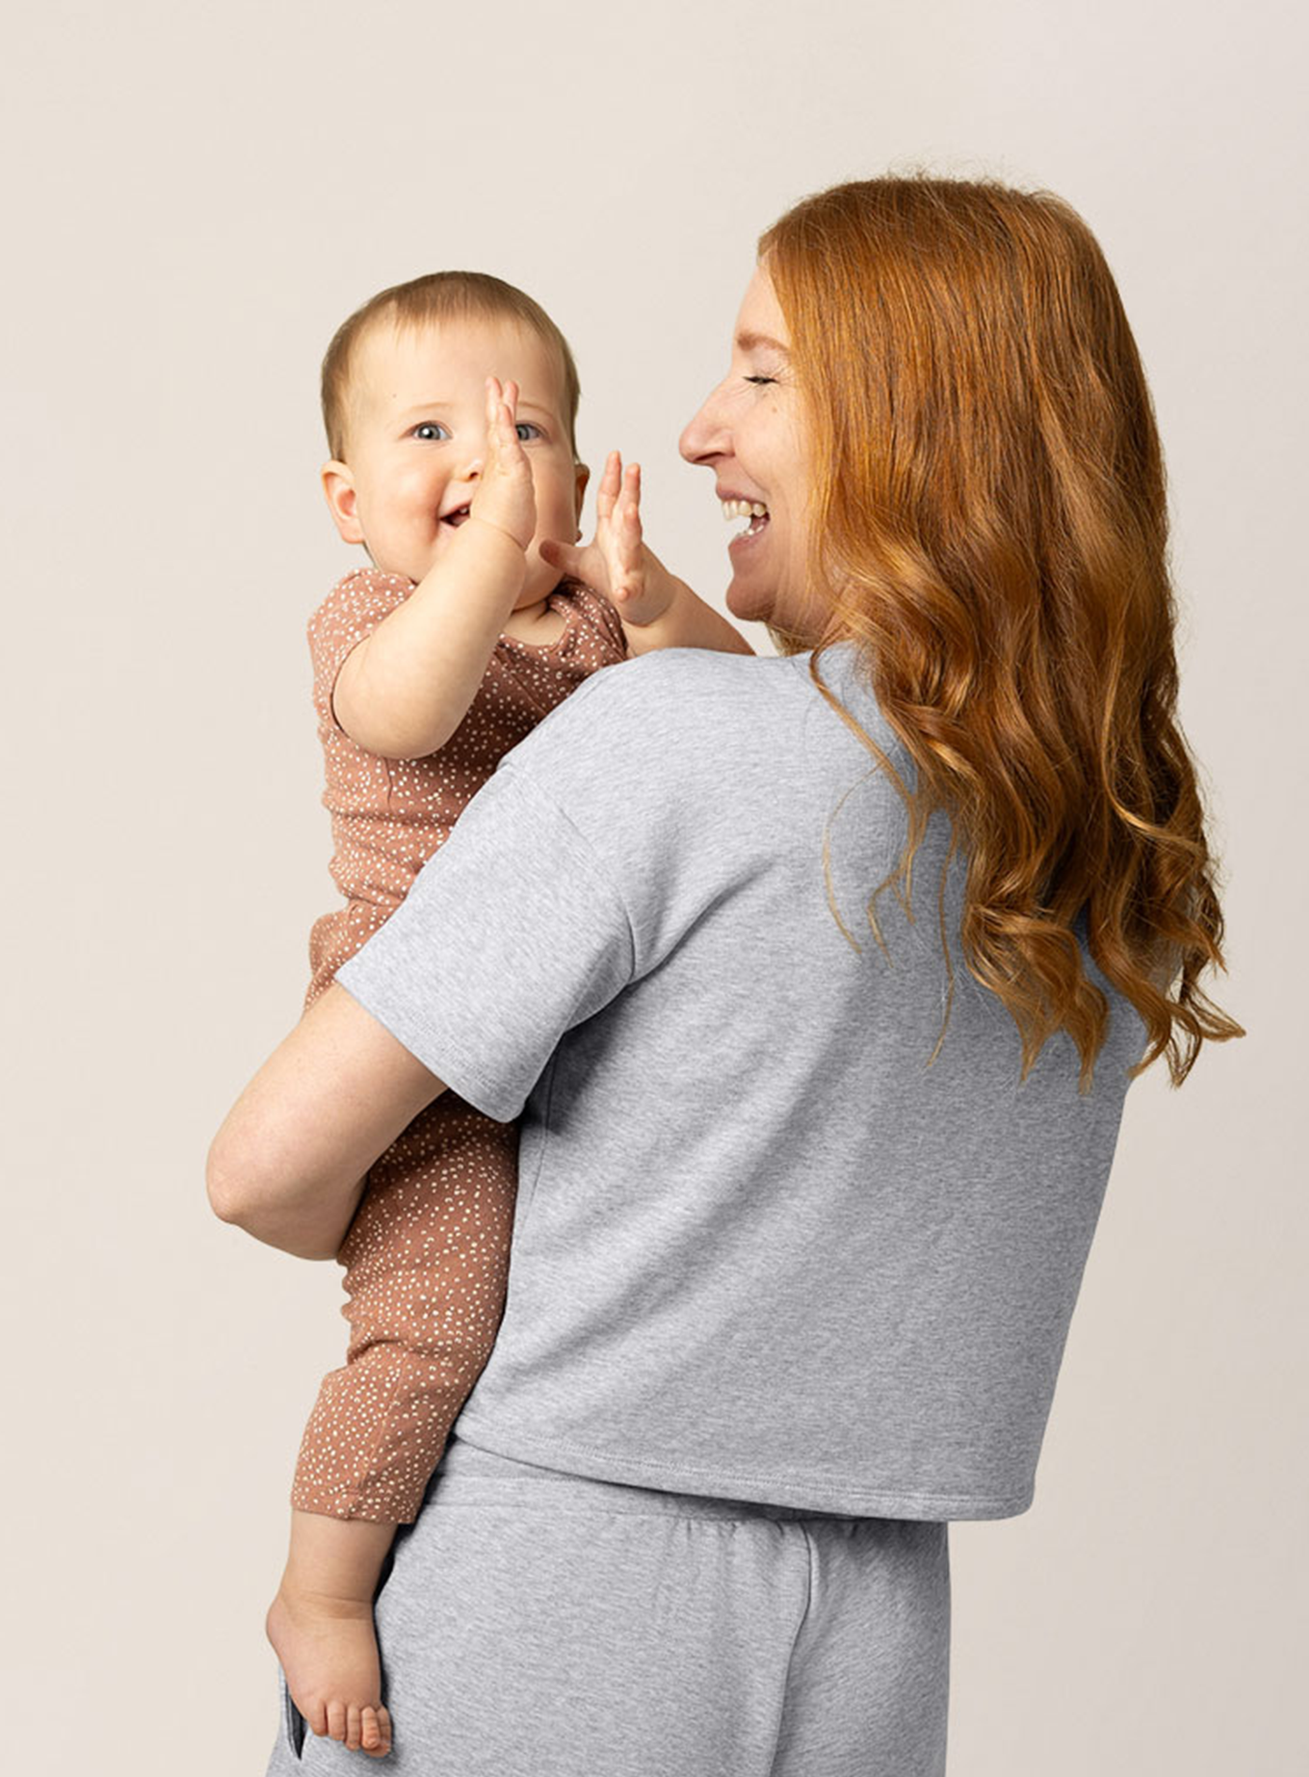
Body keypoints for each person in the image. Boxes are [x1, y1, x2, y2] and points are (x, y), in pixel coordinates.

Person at [209, 175, 1243, 1776]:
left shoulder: (668, 745)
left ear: (912, 427)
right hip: (880, 1627)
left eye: (762, 373)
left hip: (555, 1586)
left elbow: (263, 1172)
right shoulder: (1109, 846)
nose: (698, 430)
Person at [264, 269, 754, 1759]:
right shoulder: (372, 616)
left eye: (524, 429)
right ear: (349, 499)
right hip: (419, 1037)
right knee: (431, 1319)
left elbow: (740, 722)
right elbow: (410, 710)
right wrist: (486, 561)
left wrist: (652, 603)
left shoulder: (591, 622)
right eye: (435, 431)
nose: (484, 456)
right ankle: (320, 1587)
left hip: (579, 1032)